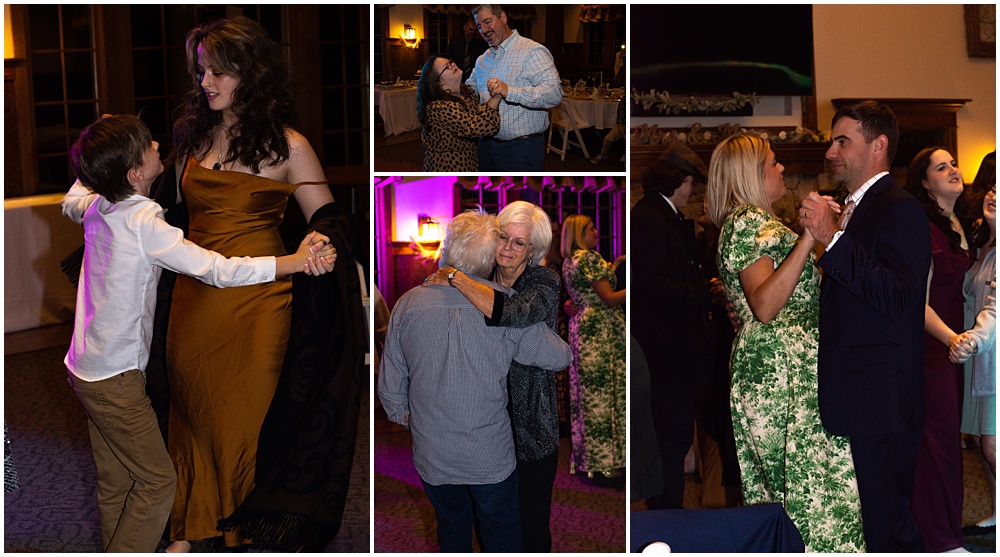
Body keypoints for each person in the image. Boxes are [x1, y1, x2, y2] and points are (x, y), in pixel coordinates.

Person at [60, 114, 334, 553]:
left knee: (116, 480)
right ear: (135, 173)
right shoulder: (144, 221)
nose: (156, 144)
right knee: (156, 483)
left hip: (84, 370)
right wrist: (290, 262)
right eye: (146, 146)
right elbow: (217, 269)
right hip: (117, 379)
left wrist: (100, 139)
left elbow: (75, 192)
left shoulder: (95, 203)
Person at [151, 17, 361, 552]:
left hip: (261, 302)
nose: (207, 83)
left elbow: (329, 218)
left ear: (254, 72)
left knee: (243, 420)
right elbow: (165, 212)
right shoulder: (193, 135)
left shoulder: (290, 147)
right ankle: (192, 522)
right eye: (202, 72)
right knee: (191, 410)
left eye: (220, 72)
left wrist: (323, 247)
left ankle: (243, 529)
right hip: (194, 297)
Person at [377, 210, 572, 553]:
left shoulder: (407, 304)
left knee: (451, 529)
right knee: (501, 534)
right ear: (490, 253)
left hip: (433, 450)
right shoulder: (503, 305)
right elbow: (560, 357)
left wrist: (406, 413)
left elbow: (391, 383)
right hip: (489, 453)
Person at [706, 134, 865, 552]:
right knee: (806, 485)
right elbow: (764, 304)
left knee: (801, 484)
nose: (781, 170)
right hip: (780, 368)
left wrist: (828, 233)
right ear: (751, 173)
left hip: (787, 363)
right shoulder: (746, 221)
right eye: (773, 163)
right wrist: (810, 237)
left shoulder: (756, 223)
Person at [799, 100, 931, 552]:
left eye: (842, 141)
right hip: (857, 396)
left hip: (883, 400)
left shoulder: (900, 209)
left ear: (878, 146)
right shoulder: (856, 208)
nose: (831, 152)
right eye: (832, 141)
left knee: (887, 526)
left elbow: (898, 297)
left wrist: (832, 239)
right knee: (867, 525)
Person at [423, 201, 561, 552]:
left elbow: (515, 312)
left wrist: (455, 276)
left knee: (529, 525)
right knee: (490, 524)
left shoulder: (542, 280)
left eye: (519, 242)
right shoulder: (481, 277)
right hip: (484, 426)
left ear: (535, 250)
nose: (506, 248)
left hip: (530, 426)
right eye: (503, 237)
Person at [630, 144, 718, 510]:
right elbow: (652, 286)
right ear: (678, 180)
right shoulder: (652, 218)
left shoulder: (655, 214)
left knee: (673, 437)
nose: (693, 192)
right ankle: (667, 514)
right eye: (691, 184)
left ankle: (668, 511)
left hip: (669, 352)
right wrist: (704, 293)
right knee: (671, 437)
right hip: (668, 354)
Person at [903, 147, 973, 553]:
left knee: (949, 444)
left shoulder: (961, 224)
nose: (952, 170)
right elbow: (916, 301)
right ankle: (940, 542)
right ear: (925, 183)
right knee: (938, 448)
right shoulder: (924, 230)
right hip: (932, 352)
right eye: (940, 167)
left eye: (953, 164)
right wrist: (950, 338)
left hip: (958, 350)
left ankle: (948, 534)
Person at [561, 214, 626, 481]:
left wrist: (617, 264)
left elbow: (587, 289)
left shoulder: (569, 261)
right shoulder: (588, 258)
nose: (597, 231)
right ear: (579, 234)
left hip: (581, 327)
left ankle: (590, 459)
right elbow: (609, 298)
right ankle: (609, 461)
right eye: (591, 228)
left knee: (586, 396)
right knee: (606, 393)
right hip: (600, 329)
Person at [467, 4, 562, 171]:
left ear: (503, 18)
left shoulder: (532, 51)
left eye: (488, 22)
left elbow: (554, 94)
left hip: (521, 148)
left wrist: (509, 91)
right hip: (485, 146)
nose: (484, 30)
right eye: (479, 26)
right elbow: (469, 91)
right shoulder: (482, 60)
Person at [955, 185, 996, 536]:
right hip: (979, 359)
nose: (995, 195)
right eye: (994, 188)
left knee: (992, 444)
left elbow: (995, 309)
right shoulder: (983, 247)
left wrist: (973, 338)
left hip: (993, 356)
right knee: (983, 445)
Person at [417, 55, 501, 172]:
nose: (453, 65)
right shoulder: (438, 107)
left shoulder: (465, 92)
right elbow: (478, 126)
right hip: (447, 167)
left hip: (470, 161)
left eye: (450, 62)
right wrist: (496, 96)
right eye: (447, 66)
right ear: (440, 83)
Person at [446, 16, 488, 83]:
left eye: (475, 30)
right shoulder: (455, 41)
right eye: (470, 29)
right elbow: (448, 58)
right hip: (456, 75)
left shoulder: (480, 44)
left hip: (473, 78)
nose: (472, 32)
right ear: (464, 28)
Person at [591, 97, 625, 164]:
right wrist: (622, 132)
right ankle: (603, 157)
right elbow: (620, 119)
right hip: (623, 124)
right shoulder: (624, 100)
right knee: (608, 139)